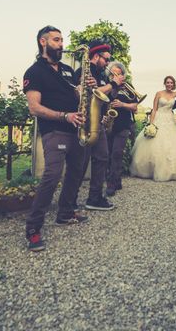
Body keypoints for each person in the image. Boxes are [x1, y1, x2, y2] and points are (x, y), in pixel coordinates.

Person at [23, 25, 89, 252]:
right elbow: (34, 108)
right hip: (55, 129)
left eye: (61, 40)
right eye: (56, 40)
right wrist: (64, 116)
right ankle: (33, 229)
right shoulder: (34, 72)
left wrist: (82, 91)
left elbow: (74, 95)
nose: (61, 44)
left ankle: (65, 212)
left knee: (77, 171)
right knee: (52, 175)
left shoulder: (68, 70)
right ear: (43, 42)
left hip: (76, 130)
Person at [73, 39, 125, 211]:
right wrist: (114, 84)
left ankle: (94, 198)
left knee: (102, 158)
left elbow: (104, 95)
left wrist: (113, 87)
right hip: (85, 121)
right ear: (96, 56)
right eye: (106, 59)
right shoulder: (84, 71)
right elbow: (88, 93)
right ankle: (69, 199)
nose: (108, 63)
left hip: (97, 122)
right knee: (81, 162)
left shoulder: (101, 75)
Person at [130, 76, 176, 181]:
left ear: (174, 84)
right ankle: (150, 169)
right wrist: (151, 123)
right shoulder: (159, 94)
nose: (169, 84)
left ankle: (171, 171)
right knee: (154, 143)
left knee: (171, 144)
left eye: (171, 83)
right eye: (167, 82)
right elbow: (154, 110)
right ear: (164, 83)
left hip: (170, 120)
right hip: (159, 118)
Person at [105, 61, 138, 196]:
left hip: (123, 124)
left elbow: (135, 107)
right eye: (114, 74)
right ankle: (116, 180)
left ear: (123, 75)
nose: (117, 76)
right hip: (107, 124)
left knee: (117, 153)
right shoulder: (106, 86)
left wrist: (122, 104)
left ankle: (111, 184)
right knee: (106, 155)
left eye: (119, 73)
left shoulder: (128, 87)